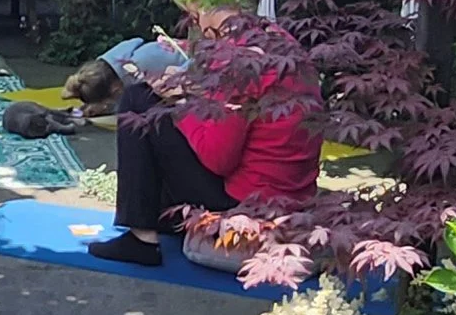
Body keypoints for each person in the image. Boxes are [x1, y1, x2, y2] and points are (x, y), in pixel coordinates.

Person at [87, 16, 322, 267]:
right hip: (290, 194)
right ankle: (163, 216)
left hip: (243, 200)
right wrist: (192, 92)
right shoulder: (282, 42)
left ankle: (141, 238)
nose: (196, 27)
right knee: (154, 107)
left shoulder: (236, 61)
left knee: (138, 99)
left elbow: (218, 159)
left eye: (196, 17)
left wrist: (180, 106)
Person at [60, 36, 189, 117]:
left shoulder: (139, 73)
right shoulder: (111, 59)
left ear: (114, 89)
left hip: (192, 68)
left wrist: (108, 107)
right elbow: (136, 40)